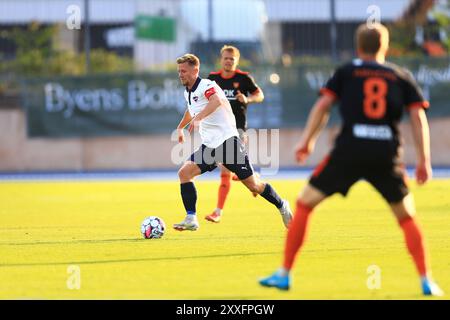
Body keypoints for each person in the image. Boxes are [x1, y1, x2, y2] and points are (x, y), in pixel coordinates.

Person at [258, 23, 443, 296]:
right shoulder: (400, 76)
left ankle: (284, 273)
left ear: (358, 47)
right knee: (406, 217)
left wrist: (307, 141)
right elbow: (418, 117)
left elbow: (323, 106)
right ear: (385, 47)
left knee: (304, 204)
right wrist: (424, 160)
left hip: (349, 151)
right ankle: (427, 280)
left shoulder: (347, 72)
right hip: (385, 154)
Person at [173, 53, 292, 231]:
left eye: (183, 71)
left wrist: (199, 119)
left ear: (195, 70)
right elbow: (191, 111)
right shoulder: (188, 92)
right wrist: (181, 127)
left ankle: (282, 205)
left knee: (254, 185)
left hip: (229, 143)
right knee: (184, 173)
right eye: (179, 71)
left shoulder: (207, 85)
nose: (180, 74)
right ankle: (191, 218)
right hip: (210, 146)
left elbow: (217, 100)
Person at [205, 45, 265, 223]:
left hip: (237, 131)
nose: (228, 61)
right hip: (218, 131)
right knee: (236, 173)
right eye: (226, 58)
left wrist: (248, 99)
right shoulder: (212, 79)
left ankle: (217, 212)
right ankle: (255, 181)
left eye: (232, 59)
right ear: (221, 59)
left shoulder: (243, 78)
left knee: (225, 170)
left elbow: (260, 94)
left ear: (236, 61)